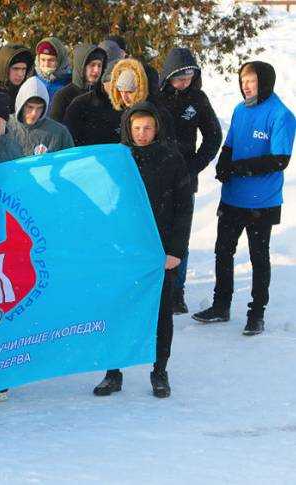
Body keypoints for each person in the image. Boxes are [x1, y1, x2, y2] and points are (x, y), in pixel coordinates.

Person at [93, 101, 193, 400]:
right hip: (124, 249)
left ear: (157, 128)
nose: (142, 133)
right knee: (118, 310)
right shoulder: (118, 159)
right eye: (136, 128)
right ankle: (113, 371)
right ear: (128, 128)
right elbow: (104, 203)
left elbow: (183, 208)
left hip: (160, 250)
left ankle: (159, 371)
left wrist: (175, 250)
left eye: (148, 127)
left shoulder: (172, 159)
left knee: (160, 313)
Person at [193, 61, 295, 335]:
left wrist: (239, 167)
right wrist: (223, 163)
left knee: (258, 257)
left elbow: (280, 160)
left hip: (262, 201)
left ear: (265, 82)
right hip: (233, 197)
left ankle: (256, 314)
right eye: (243, 81)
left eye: (251, 81)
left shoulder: (281, 115)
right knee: (223, 251)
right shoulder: (240, 110)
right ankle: (221, 305)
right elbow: (230, 144)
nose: (245, 86)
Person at [158, 48, 222, 314]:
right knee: (155, 235)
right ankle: (157, 289)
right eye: (179, 78)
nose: (184, 82)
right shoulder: (156, 98)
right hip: (156, 178)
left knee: (179, 237)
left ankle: (177, 292)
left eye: (189, 77)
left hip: (184, 179)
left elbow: (213, 136)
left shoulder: (198, 99)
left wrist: (194, 166)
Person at [8, 76, 73, 156]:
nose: (34, 113)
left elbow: (71, 160)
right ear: (21, 105)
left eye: (39, 108)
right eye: (30, 107)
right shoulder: (4, 126)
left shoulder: (60, 133)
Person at [63, 61, 122, 146]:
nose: (118, 89)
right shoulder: (81, 104)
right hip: (87, 152)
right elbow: (69, 139)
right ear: (104, 82)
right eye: (114, 82)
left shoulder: (130, 105)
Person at [50, 43, 106, 122]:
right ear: (81, 66)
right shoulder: (63, 96)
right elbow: (55, 126)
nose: (96, 70)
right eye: (92, 65)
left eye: (99, 65)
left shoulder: (103, 95)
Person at [0, 43, 34, 114]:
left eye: (23, 69)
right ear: (4, 69)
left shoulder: (29, 92)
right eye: (15, 69)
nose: (20, 74)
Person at [34, 37, 71, 103]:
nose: (46, 64)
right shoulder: (32, 78)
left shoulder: (69, 82)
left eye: (51, 60)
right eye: (43, 60)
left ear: (60, 60)